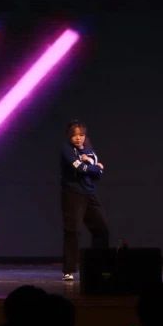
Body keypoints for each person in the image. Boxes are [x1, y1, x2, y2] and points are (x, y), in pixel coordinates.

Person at [60, 120, 109, 280]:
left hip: (90, 194)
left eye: (81, 135)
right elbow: (80, 168)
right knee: (73, 230)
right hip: (73, 194)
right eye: (74, 135)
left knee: (102, 229)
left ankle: (99, 267)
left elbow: (99, 174)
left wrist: (93, 166)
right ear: (69, 136)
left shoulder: (89, 150)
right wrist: (95, 167)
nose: (78, 138)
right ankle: (69, 269)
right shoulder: (67, 149)